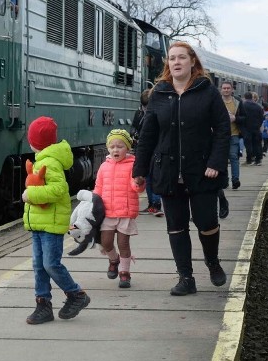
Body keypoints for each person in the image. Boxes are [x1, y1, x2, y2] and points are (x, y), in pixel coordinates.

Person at [132, 41, 230, 296]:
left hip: (202, 170)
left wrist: (216, 163)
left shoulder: (207, 91)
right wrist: (139, 170)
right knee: (176, 225)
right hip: (168, 171)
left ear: (192, 62)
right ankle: (186, 277)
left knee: (206, 221)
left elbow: (222, 129)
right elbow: (148, 135)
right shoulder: (159, 94)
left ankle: (212, 261)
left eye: (181, 58)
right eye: (172, 58)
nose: (176, 62)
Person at [22, 115, 90, 324]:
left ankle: (76, 294)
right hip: (40, 223)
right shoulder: (43, 160)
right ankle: (43, 304)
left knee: (50, 264)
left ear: (35, 142)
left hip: (51, 224)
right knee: (39, 265)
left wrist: (30, 195)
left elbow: (59, 189)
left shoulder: (50, 162)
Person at [94, 129, 146, 288]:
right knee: (106, 242)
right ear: (108, 148)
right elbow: (98, 187)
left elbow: (137, 188)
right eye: (112, 146)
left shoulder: (133, 165)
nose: (116, 150)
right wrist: (93, 201)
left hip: (125, 212)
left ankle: (124, 273)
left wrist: (139, 182)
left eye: (120, 146)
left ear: (128, 148)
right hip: (108, 212)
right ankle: (113, 260)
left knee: (123, 244)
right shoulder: (104, 166)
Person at [132, 89, 163, 215]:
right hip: (145, 148)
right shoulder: (139, 113)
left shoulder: (158, 113)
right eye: (144, 106)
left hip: (156, 149)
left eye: (147, 106)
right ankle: (151, 203)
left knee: (154, 177)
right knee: (148, 177)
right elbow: (134, 126)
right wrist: (134, 134)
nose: (145, 109)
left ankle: (156, 203)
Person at [220, 81, 245, 190]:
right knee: (222, 158)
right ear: (221, 89)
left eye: (228, 88)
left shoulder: (238, 102)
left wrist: (235, 118)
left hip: (234, 134)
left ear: (232, 90)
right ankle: (224, 180)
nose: (226, 90)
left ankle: (235, 180)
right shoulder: (216, 101)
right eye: (224, 88)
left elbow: (244, 117)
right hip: (219, 135)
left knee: (233, 156)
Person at [241, 93, 264, 165]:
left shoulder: (243, 106)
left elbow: (241, 117)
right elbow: (261, 118)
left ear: (244, 98)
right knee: (257, 144)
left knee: (248, 145)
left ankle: (249, 160)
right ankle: (258, 160)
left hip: (246, 128)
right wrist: (258, 126)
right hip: (256, 128)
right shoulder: (258, 107)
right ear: (251, 98)